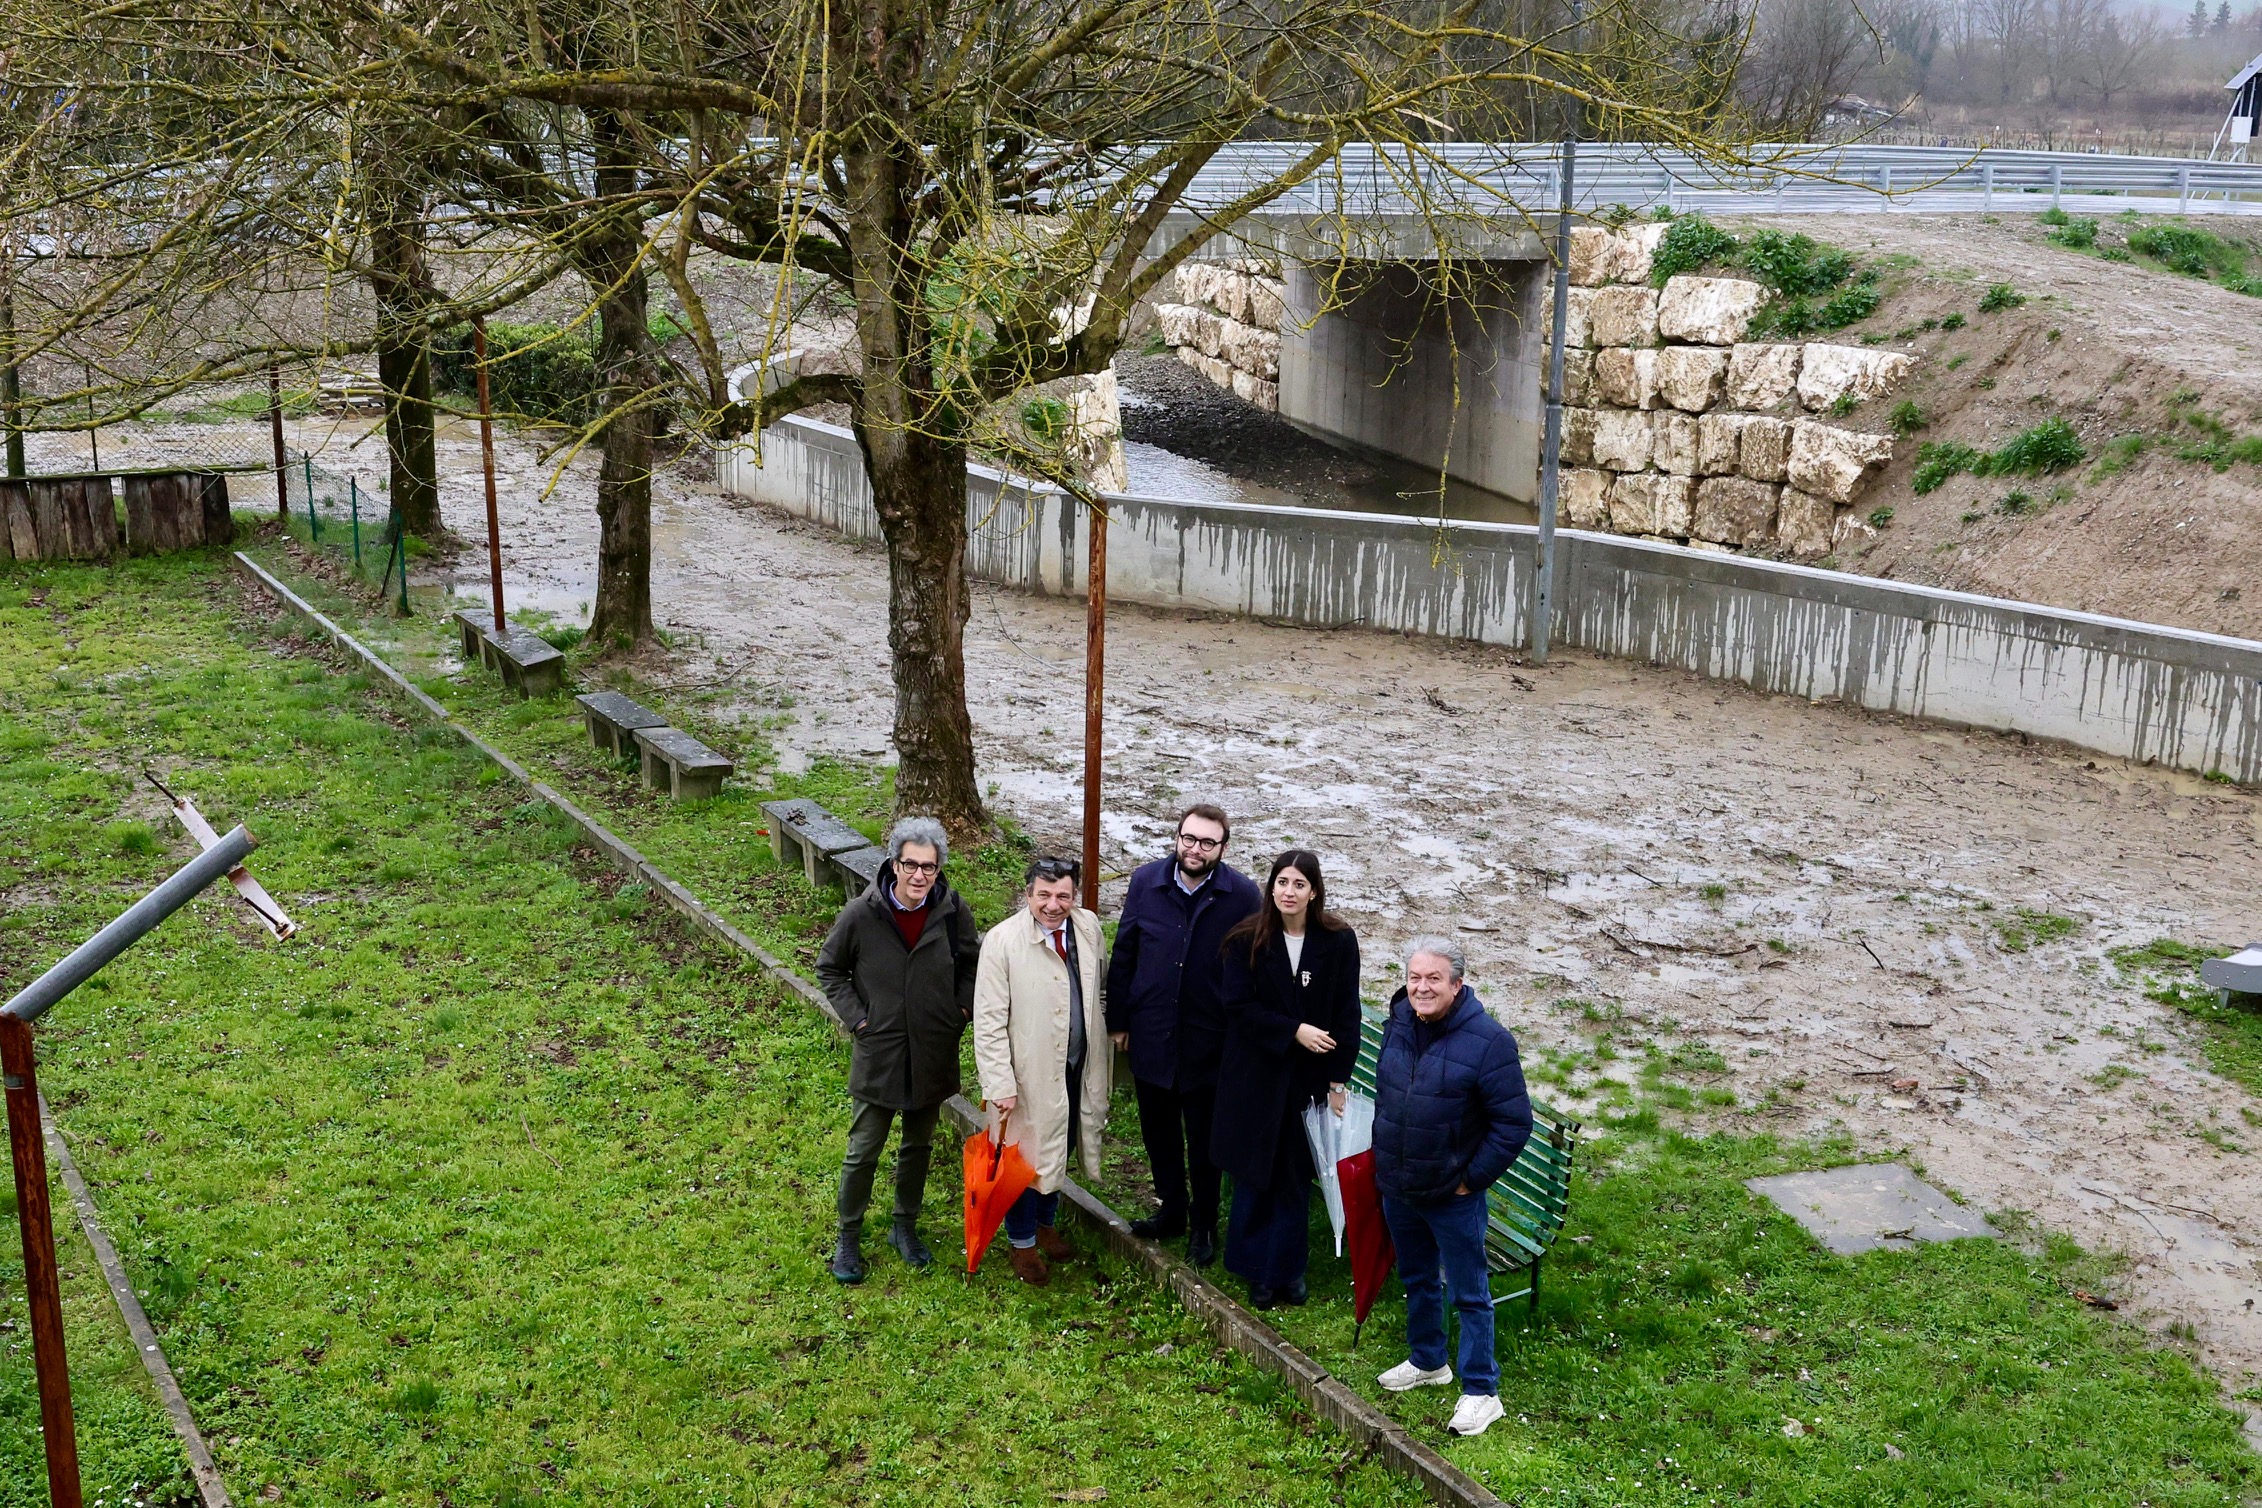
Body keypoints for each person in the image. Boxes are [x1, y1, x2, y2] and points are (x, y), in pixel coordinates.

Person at [1371, 936, 1531, 1439]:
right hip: (1399, 1185)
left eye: (1433, 979)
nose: (1422, 988)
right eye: (1414, 978)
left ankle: (1482, 1390)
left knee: (1470, 1292)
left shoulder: (1489, 1041)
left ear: (1457, 984)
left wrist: (1470, 1180)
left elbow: (1513, 1123)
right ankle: (1428, 1360)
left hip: (1452, 1195)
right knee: (1417, 1277)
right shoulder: (1398, 1024)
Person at [816, 817, 981, 1284]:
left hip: (932, 1050)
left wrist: (960, 1012)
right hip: (881, 1052)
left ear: (938, 870)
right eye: (911, 865)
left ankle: (903, 1228)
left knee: (918, 1147)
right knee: (863, 1150)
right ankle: (848, 1238)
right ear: (893, 863)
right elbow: (829, 969)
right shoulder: (861, 913)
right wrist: (861, 1021)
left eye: (929, 868)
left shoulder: (952, 912)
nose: (919, 876)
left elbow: (973, 963)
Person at [1103, 803, 1260, 1265]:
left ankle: (1204, 1226)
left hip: (1208, 1041)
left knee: (1204, 1141)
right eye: (1188, 839)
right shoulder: (1145, 882)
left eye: (1207, 843)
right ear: (1177, 838)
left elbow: (1252, 969)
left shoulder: (1243, 896)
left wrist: (1239, 1035)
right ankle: (1171, 1210)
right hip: (1151, 1032)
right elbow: (1126, 951)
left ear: (1222, 848)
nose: (1195, 849)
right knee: (1158, 1132)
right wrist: (1120, 1021)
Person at [1209, 849, 1360, 1309]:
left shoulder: (1337, 941)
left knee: (1295, 1172)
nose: (1287, 892)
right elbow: (1238, 1007)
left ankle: (1289, 1271)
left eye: (1298, 884)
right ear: (1270, 887)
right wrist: (1293, 1030)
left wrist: (1338, 1081)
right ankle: (1256, 1270)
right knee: (1258, 1172)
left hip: (1309, 1080)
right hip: (1255, 1076)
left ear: (1314, 891)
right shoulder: (1245, 940)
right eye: (1281, 882)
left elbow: (1345, 1012)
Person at [974, 856, 1110, 1287]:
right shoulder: (1001, 942)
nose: (1054, 905)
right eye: (1044, 895)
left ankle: (1047, 1223)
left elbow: (1097, 987)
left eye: (1063, 895)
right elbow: (989, 1020)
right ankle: (1022, 1241)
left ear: (1075, 896)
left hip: (1075, 1064)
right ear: (1027, 893)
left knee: (1060, 1145)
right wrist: (1000, 1083)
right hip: (1025, 1077)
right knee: (1022, 1159)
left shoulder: (1088, 929)